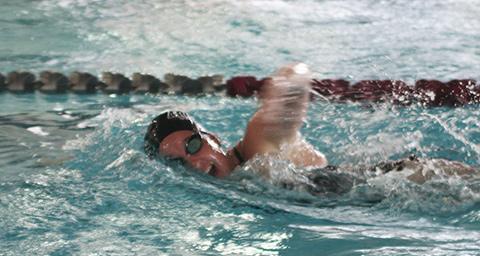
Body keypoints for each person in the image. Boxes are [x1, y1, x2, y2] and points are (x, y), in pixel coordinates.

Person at [144, 63, 477, 188]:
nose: (196, 164)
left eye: (191, 147)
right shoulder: (235, 184)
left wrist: (280, 90)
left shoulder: (257, 145)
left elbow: (296, 74)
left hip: (413, 180)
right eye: (180, 163)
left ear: (211, 137)